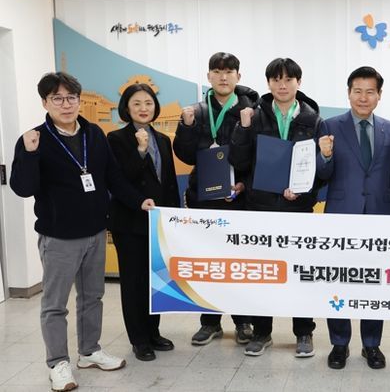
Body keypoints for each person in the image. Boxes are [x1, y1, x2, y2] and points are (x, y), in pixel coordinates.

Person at [10, 72, 154, 392]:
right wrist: (30, 155)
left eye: (71, 98)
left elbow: (113, 177)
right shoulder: (34, 139)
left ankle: (89, 351)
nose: (66, 104)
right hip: (59, 237)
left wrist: (138, 200)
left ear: (79, 100)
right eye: (57, 98)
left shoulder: (94, 133)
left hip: (95, 231)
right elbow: (23, 188)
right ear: (45, 103)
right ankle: (57, 363)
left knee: (93, 297)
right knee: (55, 304)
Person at [230, 57, 323, 357]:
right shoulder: (254, 116)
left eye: (288, 79)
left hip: (298, 209)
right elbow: (239, 162)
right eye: (276, 79)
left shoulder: (313, 119)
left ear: (299, 82)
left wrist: (303, 191)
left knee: (300, 273)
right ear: (268, 83)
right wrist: (243, 128)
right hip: (260, 207)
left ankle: (304, 332)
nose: (282, 85)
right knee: (263, 273)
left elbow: (319, 169)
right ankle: (262, 331)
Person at [316, 66, 390, 370]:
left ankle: (371, 344)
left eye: (370, 91)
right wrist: (325, 156)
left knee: (374, 283)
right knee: (339, 281)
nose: (363, 97)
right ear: (348, 93)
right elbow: (322, 175)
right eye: (357, 91)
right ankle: (339, 344)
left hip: (380, 217)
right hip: (341, 217)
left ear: (379, 95)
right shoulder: (329, 126)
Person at [173, 52, 257, 347]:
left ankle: (243, 321)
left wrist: (244, 183)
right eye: (217, 71)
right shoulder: (196, 111)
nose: (223, 77)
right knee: (206, 262)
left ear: (238, 76)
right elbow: (185, 155)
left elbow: (257, 155)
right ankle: (209, 322)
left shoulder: (251, 111)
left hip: (238, 198)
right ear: (208, 76)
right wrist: (186, 126)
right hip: (203, 198)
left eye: (229, 71)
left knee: (238, 263)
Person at [108, 83, 180, 362]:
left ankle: (153, 332)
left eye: (148, 103)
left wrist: (174, 217)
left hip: (158, 222)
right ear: (126, 108)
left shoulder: (162, 139)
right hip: (130, 222)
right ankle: (138, 339)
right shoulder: (116, 138)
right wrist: (139, 151)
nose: (143, 108)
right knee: (134, 282)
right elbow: (118, 179)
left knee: (156, 281)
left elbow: (169, 182)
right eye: (136, 103)